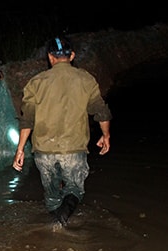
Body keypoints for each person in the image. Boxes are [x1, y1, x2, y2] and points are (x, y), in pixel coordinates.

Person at [12, 36, 112, 226]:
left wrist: (20, 149)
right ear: (72, 55)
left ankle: (55, 228)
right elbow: (102, 112)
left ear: (50, 57)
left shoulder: (36, 82)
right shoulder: (85, 79)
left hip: (43, 152)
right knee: (75, 189)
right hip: (73, 150)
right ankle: (63, 218)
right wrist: (105, 135)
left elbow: (27, 120)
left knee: (51, 196)